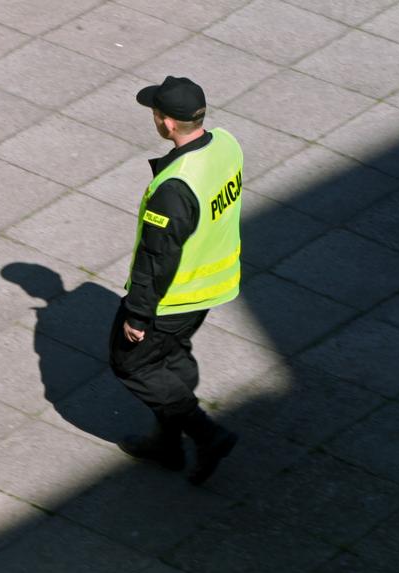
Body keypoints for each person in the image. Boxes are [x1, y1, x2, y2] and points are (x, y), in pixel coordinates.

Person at [109, 76, 242, 485]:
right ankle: (166, 444)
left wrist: (138, 314)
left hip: (173, 297)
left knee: (132, 365)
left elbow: (156, 258)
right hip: (212, 284)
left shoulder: (174, 188)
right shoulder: (226, 145)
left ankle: (206, 434)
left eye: (155, 113)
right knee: (170, 358)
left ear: (166, 123)